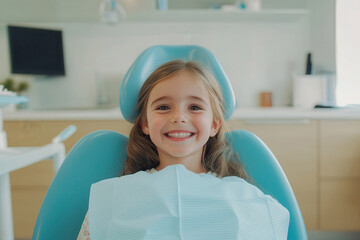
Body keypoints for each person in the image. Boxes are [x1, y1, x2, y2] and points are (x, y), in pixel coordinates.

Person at [78, 60, 289, 239]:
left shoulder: (244, 199)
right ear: (145, 124)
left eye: (195, 107)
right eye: (163, 107)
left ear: (214, 124)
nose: (179, 116)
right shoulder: (115, 198)